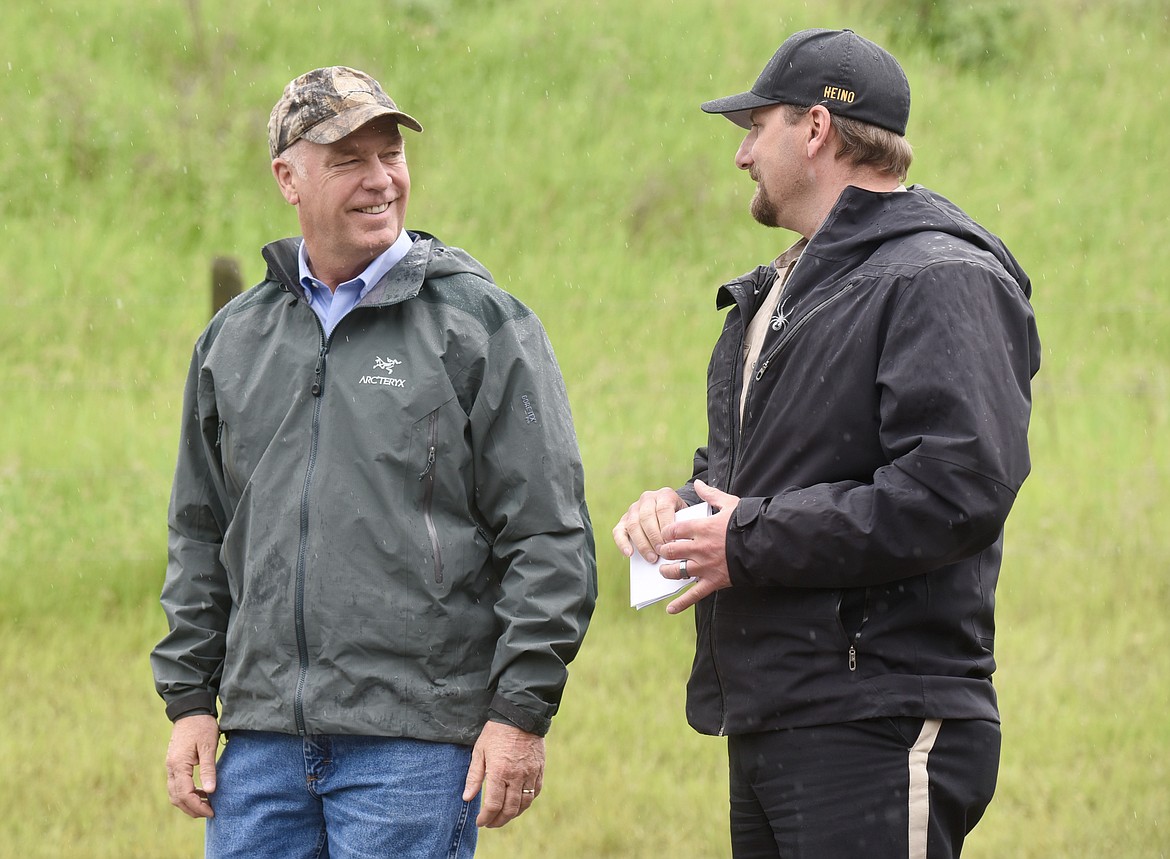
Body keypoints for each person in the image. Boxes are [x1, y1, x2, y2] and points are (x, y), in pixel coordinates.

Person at [612, 29, 1040, 859]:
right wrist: (682, 510)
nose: (741, 155)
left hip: (876, 717)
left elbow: (956, 490)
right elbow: (768, 483)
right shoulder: (784, 290)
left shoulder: (937, 276)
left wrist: (750, 539)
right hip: (780, 712)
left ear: (815, 130)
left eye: (754, 127)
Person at [151, 66, 597, 858]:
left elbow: (548, 533)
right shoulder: (233, 341)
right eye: (348, 159)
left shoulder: (481, 326)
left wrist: (520, 711)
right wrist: (191, 699)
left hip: (415, 748)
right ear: (288, 176)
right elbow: (199, 533)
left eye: (389, 154)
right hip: (258, 750)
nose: (380, 179)